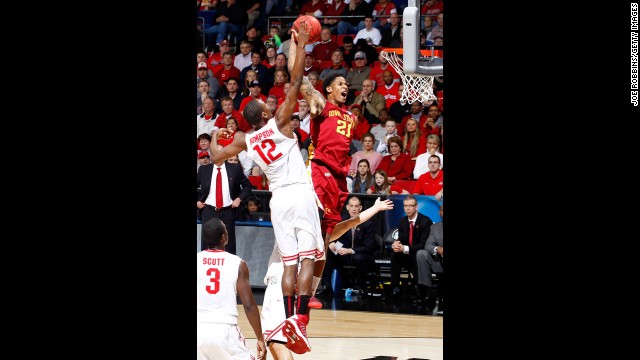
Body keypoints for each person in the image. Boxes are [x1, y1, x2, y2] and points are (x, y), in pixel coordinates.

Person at [207, 21, 321, 355]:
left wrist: (217, 135)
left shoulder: (245, 140)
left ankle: (288, 318)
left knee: (289, 262)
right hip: (299, 192)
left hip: (277, 199)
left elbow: (214, 157)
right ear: (267, 111)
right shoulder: (280, 122)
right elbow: (297, 81)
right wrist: (299, 46)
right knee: (309, 259)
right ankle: (298, 319)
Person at [261, 197, 393, 359]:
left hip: (281, 287)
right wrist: (375, 208)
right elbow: (350, 223)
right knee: (277, 341)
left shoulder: (289, 227)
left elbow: (279, 205)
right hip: (301, 291)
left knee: (276, 341)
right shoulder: (320, 235)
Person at [298, 68, 360, 314]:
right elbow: (304, 87)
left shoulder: (351, 117)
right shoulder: (321, 106)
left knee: (326, 237)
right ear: (329, 89)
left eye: (347, 84)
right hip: (320, 169)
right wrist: (300, 51)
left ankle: (310, 292)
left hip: (339, 177)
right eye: (341, 83)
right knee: (312, 226)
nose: (346, 87)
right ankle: (294, 277)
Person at [196, 218, 267, 360]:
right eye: (226, 229)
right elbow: (248, 305)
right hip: (224, 329)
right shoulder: (237, 263)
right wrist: (260, 338)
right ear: (223, 237)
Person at [197, 144, 254, 255]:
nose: (217, 154)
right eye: (214, 152)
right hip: (208, 211)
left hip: (227, 212)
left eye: (220, 152)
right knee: (206, 243)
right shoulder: (204, 169)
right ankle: (204, 269)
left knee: (228, 244)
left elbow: (248, 186)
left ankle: (229, 270)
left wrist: (239, 199)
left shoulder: (234, 168)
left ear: (225, 153)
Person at [324, 195, 381, 292]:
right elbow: (340, 240)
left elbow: (368, 246)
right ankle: (327, 286)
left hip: (363, 254)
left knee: (358, 258)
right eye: (351, 206)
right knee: (329, 253)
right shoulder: (343, 221)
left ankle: (362, 288)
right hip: (345, 254)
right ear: (347, 207)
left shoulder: (368, 223)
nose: (354, 209)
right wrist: (333, 244)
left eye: (356, 206)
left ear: (360, 208)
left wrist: (350, 250)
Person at [390, 194, 433, 300]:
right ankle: (395, 287)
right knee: (395, 255)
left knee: (418, 256)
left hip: (419, 255)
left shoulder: (425, 221)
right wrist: (397, 244)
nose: (408, 208)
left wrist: (404, 248)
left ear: (416, 207)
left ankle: (420, 289)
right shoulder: (403, 221)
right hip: (407, 254)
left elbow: (423, 245)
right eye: (405, 206)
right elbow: (401, 238)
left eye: (410, 205)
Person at [415, 203, 443, 312]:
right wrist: (438, 249)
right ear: (439, 213)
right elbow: (428, 245)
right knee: (421, 253)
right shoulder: (435, 227)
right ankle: (428, 292)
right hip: (439, 262)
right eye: (442, 210)